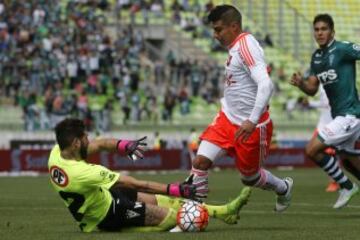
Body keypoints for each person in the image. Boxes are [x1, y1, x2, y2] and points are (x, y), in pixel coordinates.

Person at [48, 118, 251, 233]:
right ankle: (127, 227)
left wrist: (123, 145)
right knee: (172, 217)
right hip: (107, 213)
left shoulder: (58, 152)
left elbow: (100, 143)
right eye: (85, 138)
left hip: (105, 196)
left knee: (167, 202)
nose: (89, 140)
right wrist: (176, 188)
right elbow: (136, 184)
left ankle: (224, 211)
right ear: (76, 143)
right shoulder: (83, 172)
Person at [185, 5, 293, 212]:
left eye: (218, 30)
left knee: (249, 178)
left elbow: (266, 84)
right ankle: (194, 211)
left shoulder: (246, 46)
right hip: (227, 119)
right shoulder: (235, 48)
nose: (214, 35)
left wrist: (251, 120)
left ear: (233, 26)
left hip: (252, 126)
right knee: (199, 162)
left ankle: (283, 187)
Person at [290, 13, 360, 209]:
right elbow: (312, 89)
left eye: (324, 29)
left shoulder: (343, 49)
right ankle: (347, 183)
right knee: (348, 162)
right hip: (341, 116)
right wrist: (301, 84)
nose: (320, 33)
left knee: (311, 149)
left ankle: (346, 186)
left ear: (332, 31)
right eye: (317, 29)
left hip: (351, 114)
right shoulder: (317, 58)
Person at [309, 84, 339, 192]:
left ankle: (335, 181)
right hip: (323, 125)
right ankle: (335, 180)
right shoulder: (321, 83)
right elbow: (324, 103)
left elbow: (328, 103)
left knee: (344, 155)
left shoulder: (337, 79)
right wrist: (309, 103)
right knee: (313, 151)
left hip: (336, 123)